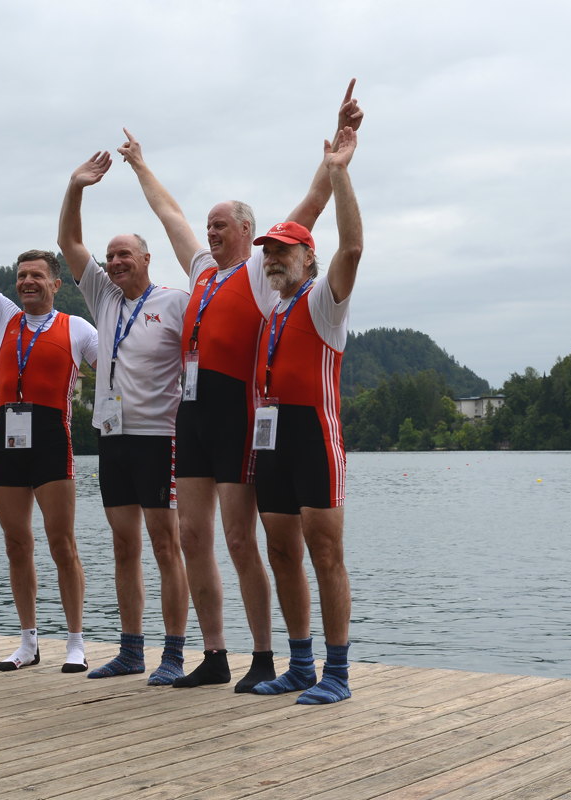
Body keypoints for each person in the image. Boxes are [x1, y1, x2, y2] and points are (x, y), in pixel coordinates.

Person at [119, 81, 363, 691]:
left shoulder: (264, 274)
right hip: (194, 411)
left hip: (242, 413)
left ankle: (271, 657)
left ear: (249, 230)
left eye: (222, 224)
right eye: (210, 226)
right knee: (193, 534)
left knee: (241, 536)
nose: (210, 233)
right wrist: (142, 165)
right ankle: (217, 653)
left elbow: (312, 207)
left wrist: (335, 155)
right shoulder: (203, 272)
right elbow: (168, 214)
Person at [0, 155, 98, 673]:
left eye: (37, 276)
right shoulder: (3, 315)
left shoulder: (78, 329)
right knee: (16, 543)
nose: (27, 282)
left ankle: (75, 640)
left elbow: (123, 365)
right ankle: (29, 640)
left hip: (53, 435)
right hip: (5, 433)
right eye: (21, 276)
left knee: (61, 543)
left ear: (56, 283)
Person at [57, 150, 192, 685]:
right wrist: (76, 187)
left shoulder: (176, 303)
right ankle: (132, 649)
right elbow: (69, 242)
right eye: (109, 256)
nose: (113, 263)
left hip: (159, 438)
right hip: (111, 437)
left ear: (146, 258)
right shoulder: (103, 297)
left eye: (123, 255)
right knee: (122, 544)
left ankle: (176, 653)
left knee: (166, 544)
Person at [249, 126, 362, 704]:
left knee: (324, 551)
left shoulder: (323, 301)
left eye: (282, 250)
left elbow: (352, 249)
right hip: (271, 438)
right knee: (280, 550)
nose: (272, 258)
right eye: (267, 250)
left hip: (315, 435)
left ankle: (337, 673)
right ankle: (299, 664)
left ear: (305, 257)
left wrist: (338, 172)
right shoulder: (271, 307)